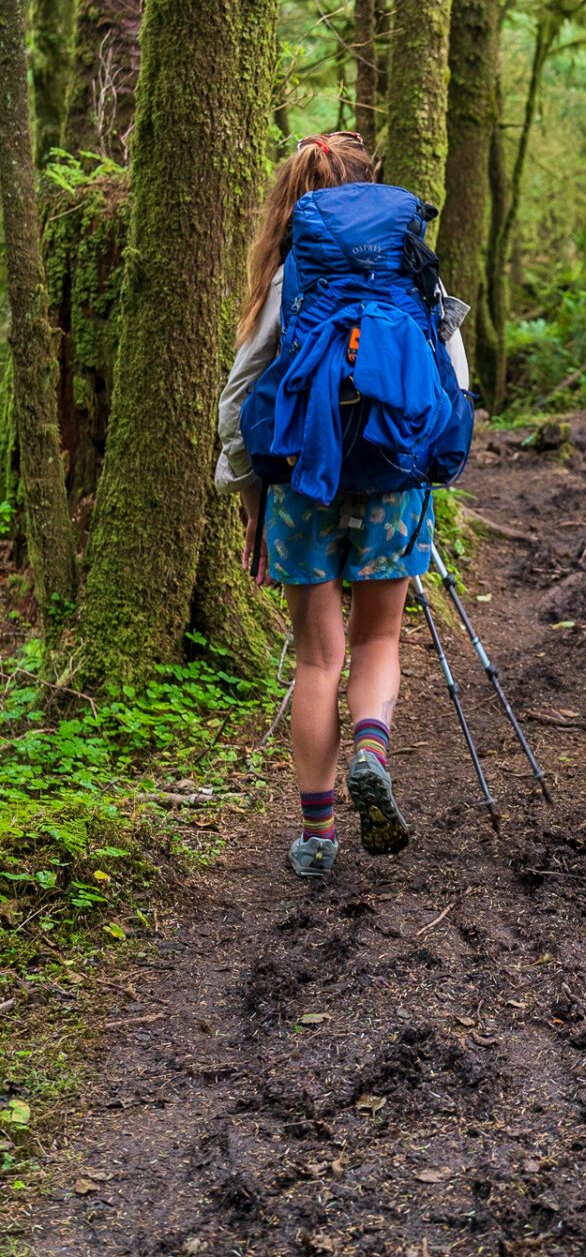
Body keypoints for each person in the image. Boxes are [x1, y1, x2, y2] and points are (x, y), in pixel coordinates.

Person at [215, 130, 469, 879]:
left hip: (299, 478)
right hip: (392, 470)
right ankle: (372, 748)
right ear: (372, 190)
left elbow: (241, 389)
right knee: (380, 640)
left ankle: (318, 836)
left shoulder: (294, 271)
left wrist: (246, 489)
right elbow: (448, 372)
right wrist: (434, 466)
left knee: (319, 656)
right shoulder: (407, 260)